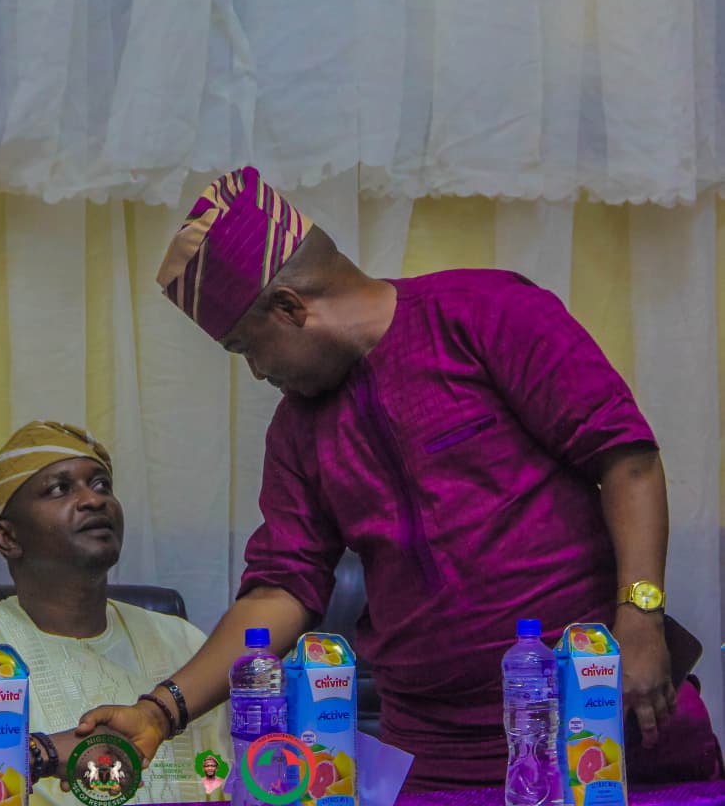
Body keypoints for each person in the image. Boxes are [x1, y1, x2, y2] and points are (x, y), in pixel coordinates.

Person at [77, 166, 723, 790]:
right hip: (434, 748)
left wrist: (640, 620)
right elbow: (281, 587)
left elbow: (626, 458)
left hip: (593, 708)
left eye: (248, 348)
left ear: (290, 307)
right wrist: (160, 711)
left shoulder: (485, 313)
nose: (257, 372)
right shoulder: (297, 431)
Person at [0, 420, 232, 803]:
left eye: (101, 485)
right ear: (7, 537)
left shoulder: (183, 640)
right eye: (59, 489)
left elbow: (225, 778)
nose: (94, 500)